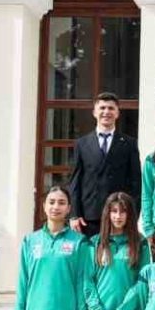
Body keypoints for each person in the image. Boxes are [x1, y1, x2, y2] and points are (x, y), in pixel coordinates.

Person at [65, 93, 141, 234]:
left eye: (111, 108)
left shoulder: (129, 143)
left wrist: (132, 215)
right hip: (89, 216)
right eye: (102, 108)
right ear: (94, 112)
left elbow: (135, 182)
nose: (106, 112)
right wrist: (74, 214)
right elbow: (75, 181)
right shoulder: (82, 144)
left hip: (118, 215)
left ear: (117, 113)